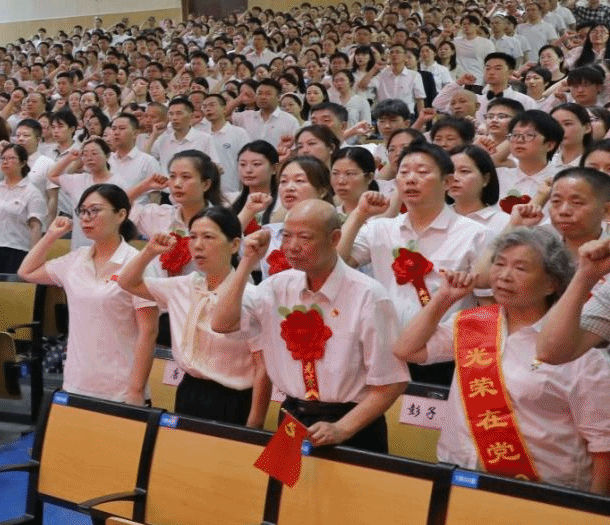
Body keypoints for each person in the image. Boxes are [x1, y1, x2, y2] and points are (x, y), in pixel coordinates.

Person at [397, 226, 609, 493]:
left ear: (551, 284)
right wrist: (443, 299)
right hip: (458, 475)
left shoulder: (577, 349)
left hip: (540, 490)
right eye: (499, 264)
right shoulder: (474, 323)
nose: (504, 276)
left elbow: (603, 444)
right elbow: (407, 350)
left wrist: (589, 509)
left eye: (520, 268)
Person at [211, 200, 409, 452]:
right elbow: (222, 323)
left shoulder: (368, 296)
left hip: (352, 425)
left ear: (334, 238)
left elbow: (392, 382)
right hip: (293, 415)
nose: (292, 246)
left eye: (304, 237)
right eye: (286, 236)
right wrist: (246, 263)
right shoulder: (276, 287)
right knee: (284, 480)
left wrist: (342, 428)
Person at [338, 142, 490, 384]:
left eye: (422, 172)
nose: (410, 179)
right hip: (384, 352)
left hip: (442, 356)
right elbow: (337, 263)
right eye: (404, 172)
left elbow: (487, 305)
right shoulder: (380, 229)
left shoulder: (475, 235)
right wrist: (359, 215)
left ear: (447, 182)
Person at [118, 206, 269, 425]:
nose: (197, 245)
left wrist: (255, 423)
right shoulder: (183, 285)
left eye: (208, 237)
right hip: (189, 389)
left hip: (233, 398)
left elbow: (263, 367)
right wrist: (149, 251)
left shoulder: (252, 296)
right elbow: (127, 282)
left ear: (235, 245)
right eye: (193, 237)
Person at [18, 184, 156, 405]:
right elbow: (26, 272)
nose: (85, 218)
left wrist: (136, 390)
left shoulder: (137, 263)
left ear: (121, 215)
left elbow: (148, 331)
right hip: (76, 382)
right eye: (82, 211)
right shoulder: (76, 259)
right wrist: (51, 235)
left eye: (94, 210)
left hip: (120, 388)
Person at [0, 141, 44, 274]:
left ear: (23, 162)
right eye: (3, 159)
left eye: (11, 158)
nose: (5, 162)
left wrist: (33, 259)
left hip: (17, 250)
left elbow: (35, 227)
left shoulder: (32, 192)